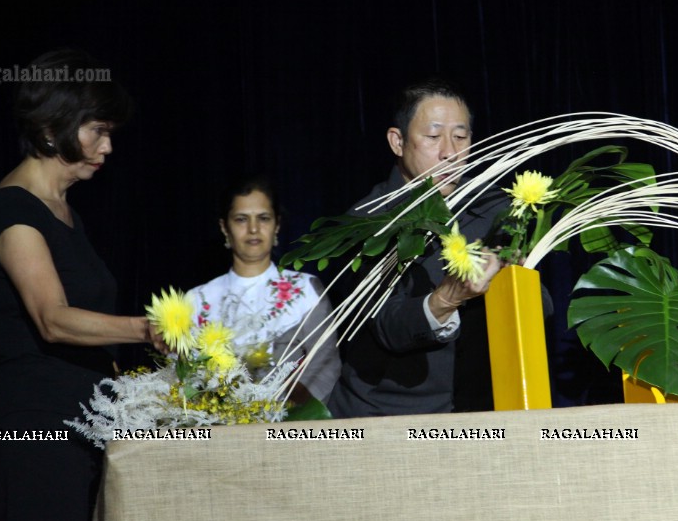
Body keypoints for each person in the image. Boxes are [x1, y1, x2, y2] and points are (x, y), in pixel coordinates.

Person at [0, 48, 167, 521]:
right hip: (33, 430)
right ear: (51, 129)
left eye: (109, 133)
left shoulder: (62, 210)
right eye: (97, 131)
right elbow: (52, 320)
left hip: (79, 422)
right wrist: (145, 328)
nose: (107, 147)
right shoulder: (13, 213)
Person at [326, 78, 511, 418]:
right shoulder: (367, 222)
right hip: (388, 416)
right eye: (432, 136)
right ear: (397, 142)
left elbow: (538, 311)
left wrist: (519, 278)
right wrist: (447, 298)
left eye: (460, 136)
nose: (449, 152)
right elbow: (389, 326)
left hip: (480, 412)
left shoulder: (493, 208)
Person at [187, 175, 339, 404]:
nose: (253, 229)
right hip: (218, 430)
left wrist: (285, 414)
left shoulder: (305, 289)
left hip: (291, 427)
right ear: (224, 227)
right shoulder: (197, 299)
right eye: (241, 219)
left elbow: (325, 366)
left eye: (263, 218)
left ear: (277, 224)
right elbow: (184, 380)